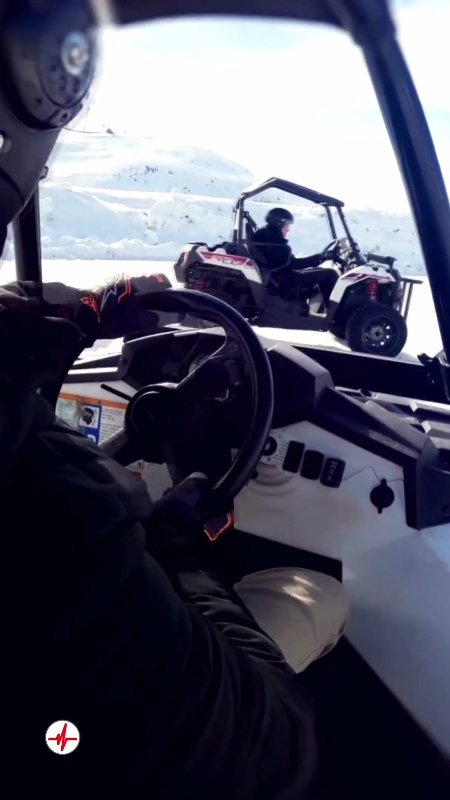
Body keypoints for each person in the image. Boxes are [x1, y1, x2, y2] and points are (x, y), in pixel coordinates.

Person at [1, 270, 349, 799]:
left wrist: (72, 323)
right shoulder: (50, 504)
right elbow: (264, 748)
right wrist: (183, 560)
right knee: (317, 593)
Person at [252, 207, 341, 306]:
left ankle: (329, 310)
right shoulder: (274, 243)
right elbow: (296, 264)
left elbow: (290, 262)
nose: (288, 229)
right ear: (279, 225)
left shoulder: (267, 237)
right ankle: (337, 314)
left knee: (321, 271)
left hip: (279, 276)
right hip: (283, 280)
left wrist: (321, 257)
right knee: (329, 274)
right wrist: (321, 257)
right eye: (286, 226)